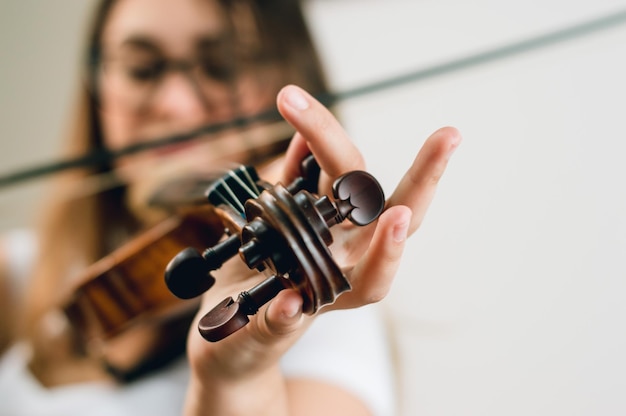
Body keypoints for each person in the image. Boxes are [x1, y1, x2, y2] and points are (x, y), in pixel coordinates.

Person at [0, 0, 462, 415]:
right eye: (141, 68)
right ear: (96, 82)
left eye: (220, 66)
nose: (175, 105)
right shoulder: (24, 271)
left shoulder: (316, 318)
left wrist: (235, 380)